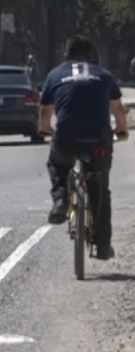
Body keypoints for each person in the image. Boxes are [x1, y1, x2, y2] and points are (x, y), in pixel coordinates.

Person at [39, 34, 129, 260]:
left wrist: (46, 130)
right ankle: (102, 246)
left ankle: (60, 199)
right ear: (90, 55)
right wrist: (121, 130)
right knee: (100, 187)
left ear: (65, 54)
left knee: (58, 164)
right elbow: (118, 110)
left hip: (66, 139)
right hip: (98, 140)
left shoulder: (55, 75)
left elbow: (44, 114)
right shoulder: (104, 75)